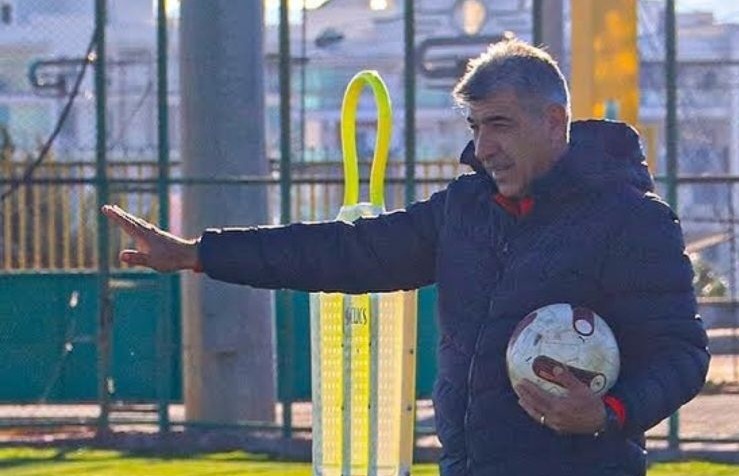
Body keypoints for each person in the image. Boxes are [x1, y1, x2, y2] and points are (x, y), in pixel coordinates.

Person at [102, 39, 710, 476]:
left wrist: (606, 413)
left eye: (499, 124)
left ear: (554, 122)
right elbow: (346, 251)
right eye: (475, 126)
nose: (483, 146)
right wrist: (201, 253)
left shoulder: (632, 221)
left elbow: (681, 354)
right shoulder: (463, 210)